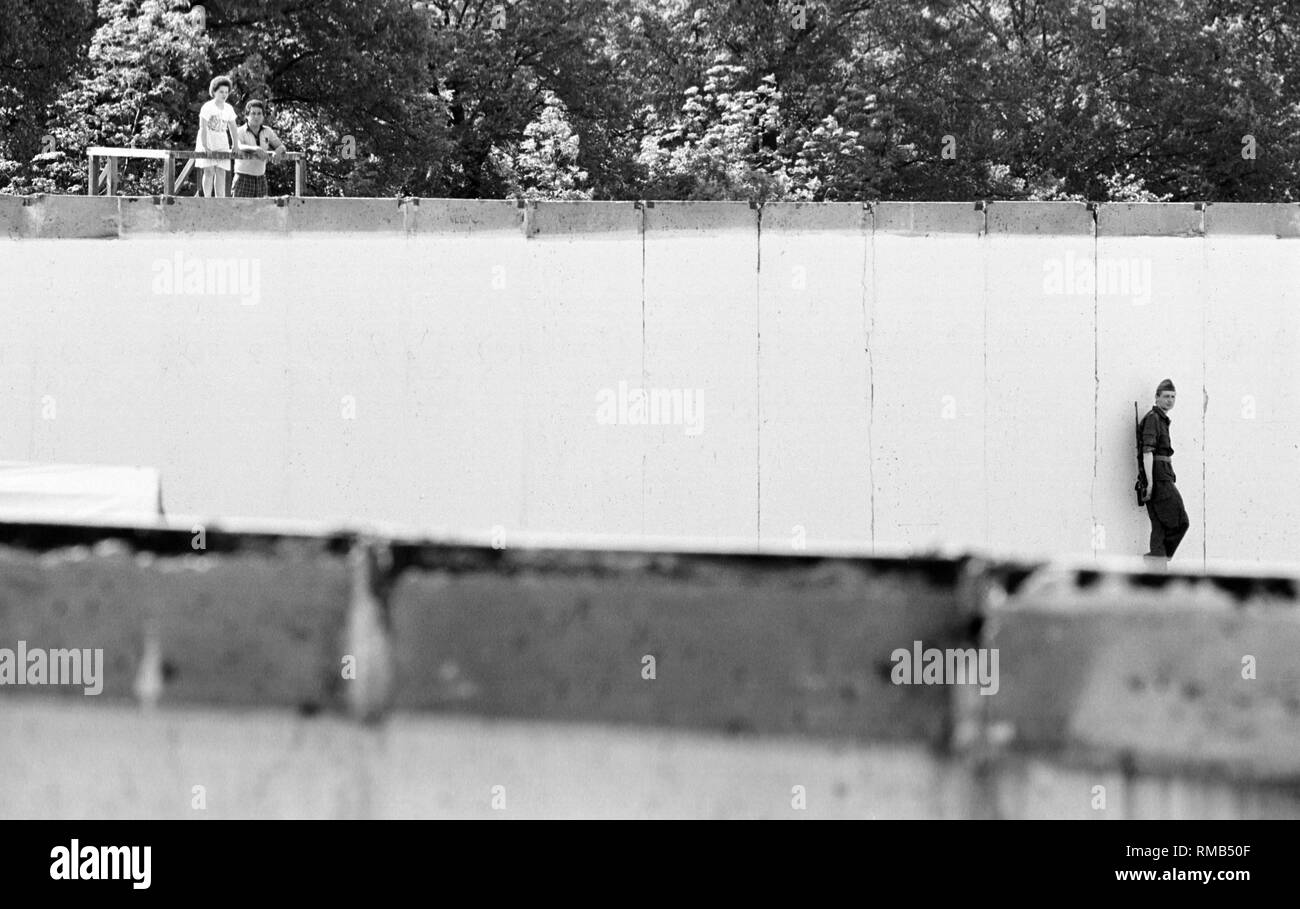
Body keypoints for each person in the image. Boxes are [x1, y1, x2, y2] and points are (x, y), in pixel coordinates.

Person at [1139, 378, 1190, 568]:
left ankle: (1157, 566)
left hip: (1162, 476)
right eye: (1166, 396)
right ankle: (1156, 560)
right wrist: (1150, 483)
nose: (1170, 400)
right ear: (1157, 398)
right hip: (1159, 479)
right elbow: (1147, 452)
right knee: (1181, 522)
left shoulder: (1161, 419)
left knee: (1159, 528)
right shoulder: (1153, 418)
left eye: (1173, 397)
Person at [232, 99, 287, 198]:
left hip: (261, 178)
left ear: (263, 116)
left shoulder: (267, 131)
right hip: (243, 178)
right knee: (239, 212)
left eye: (259, 113)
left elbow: (281, 146)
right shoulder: (239, 131)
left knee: (262, 212)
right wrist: (255, 149)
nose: (256, 116)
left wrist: (278, 151)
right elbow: (239, 146)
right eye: (253, 113)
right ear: (247, 116)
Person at [195, 76, 239, 197]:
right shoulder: (207, 107)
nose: (224, 95)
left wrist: (235, 144)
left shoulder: (229, 108)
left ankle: (220, 200)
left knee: (221, 172)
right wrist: (205, 146)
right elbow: (202, 127)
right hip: (208, 141)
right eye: (221, 92)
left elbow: (233, 128)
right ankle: (207, 199)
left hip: (222, 142)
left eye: (226, 92)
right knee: (209, 171)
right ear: (214, 92)